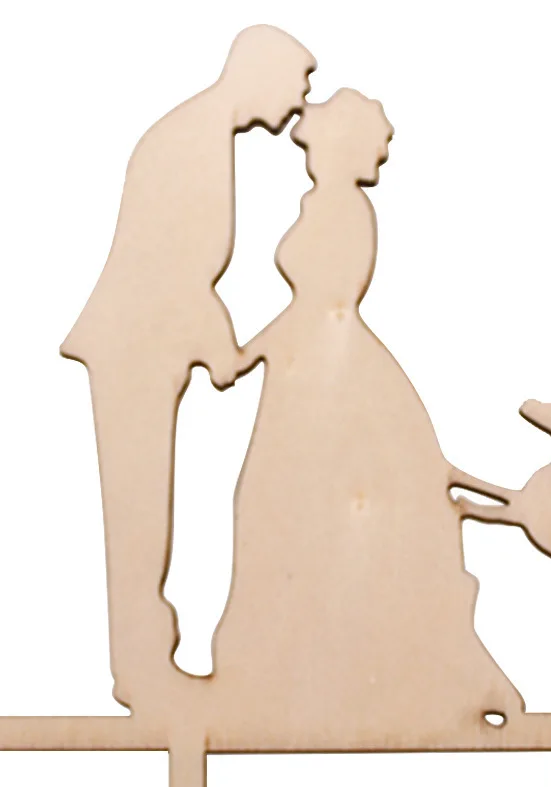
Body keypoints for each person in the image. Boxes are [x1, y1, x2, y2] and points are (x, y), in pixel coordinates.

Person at [212, 89, 523, 738]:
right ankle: (296, 671)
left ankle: (345, 670)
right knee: (287, 511)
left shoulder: (342, 209)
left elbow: (325, 306)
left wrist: (247, 353)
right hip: (309, 370)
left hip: (327, 375)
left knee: (290, 507)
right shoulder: (323, 204)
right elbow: (311, 311)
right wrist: (249, 354)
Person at [62, 26, 316, 714]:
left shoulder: (204, 137)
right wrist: (222, 348)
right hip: (134, 349)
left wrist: (217, 344)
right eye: (297, 83)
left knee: (146, 506)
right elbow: (169, 270)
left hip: (153, 345)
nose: (299, 102)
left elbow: (183, 275)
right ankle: (140, 667)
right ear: (262, 72)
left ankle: (146, 658)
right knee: (139, 509)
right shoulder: (189, 141)